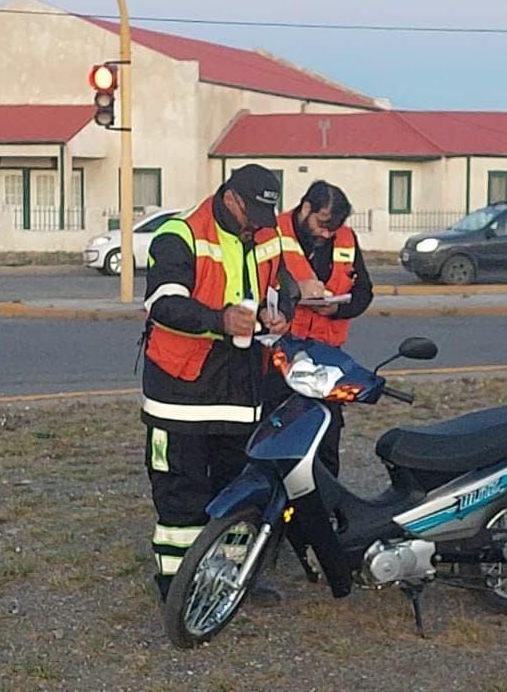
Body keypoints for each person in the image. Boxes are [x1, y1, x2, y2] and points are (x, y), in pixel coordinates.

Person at [140, 163, 293, 603]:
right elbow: (165, 305)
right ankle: (177, 589)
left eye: (266, 221)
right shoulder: (180, 234)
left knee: (241, 492)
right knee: (180, 500)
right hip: (181, 395)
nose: (256, 231)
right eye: (252, 219)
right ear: (231, 199)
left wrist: (279, 312)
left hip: (241, 394)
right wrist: (221, 320)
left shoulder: (267, 233)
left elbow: (277, 286)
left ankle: (233, 580)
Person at [268, 180, 374, 476]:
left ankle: (324, 509)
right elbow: (254, 283)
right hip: (280, 353)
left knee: (327, 436)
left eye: (333, 228)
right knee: (278, 432)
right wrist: (295, 291)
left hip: (327, 357)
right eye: (323, 224)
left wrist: (338, 308)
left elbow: (364, 292)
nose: (327, 233)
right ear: (305, 208)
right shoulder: (273, 233)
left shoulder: (346, 239)